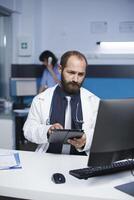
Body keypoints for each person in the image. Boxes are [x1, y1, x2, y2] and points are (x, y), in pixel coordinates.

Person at [23, 50, 100, 155]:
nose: (76, 79)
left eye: (81, 74)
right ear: (60, 69)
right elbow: (28, 130)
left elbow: (101, 133)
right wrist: (47, 130)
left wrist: (86, 140)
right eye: (71, 72)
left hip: (81, 159)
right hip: (49, 158)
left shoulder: (94, 101)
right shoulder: (41, 99)